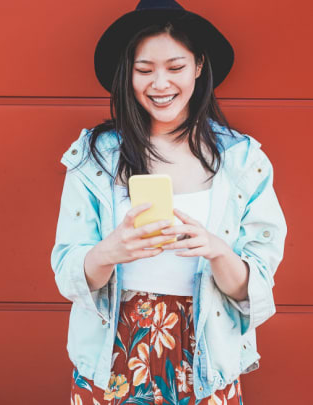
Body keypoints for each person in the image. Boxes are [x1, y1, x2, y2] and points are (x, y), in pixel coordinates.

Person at [50, 1, 288, 403]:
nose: (160, 84)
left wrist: (217, 250)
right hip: (113, 352)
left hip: (207, 356)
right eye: (145, 71)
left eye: (175, 68)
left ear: (198, 66)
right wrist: (111, 250)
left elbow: (256, 288)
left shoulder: (243, 161)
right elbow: (66, 272)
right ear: (128, 75)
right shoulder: (96, 157)